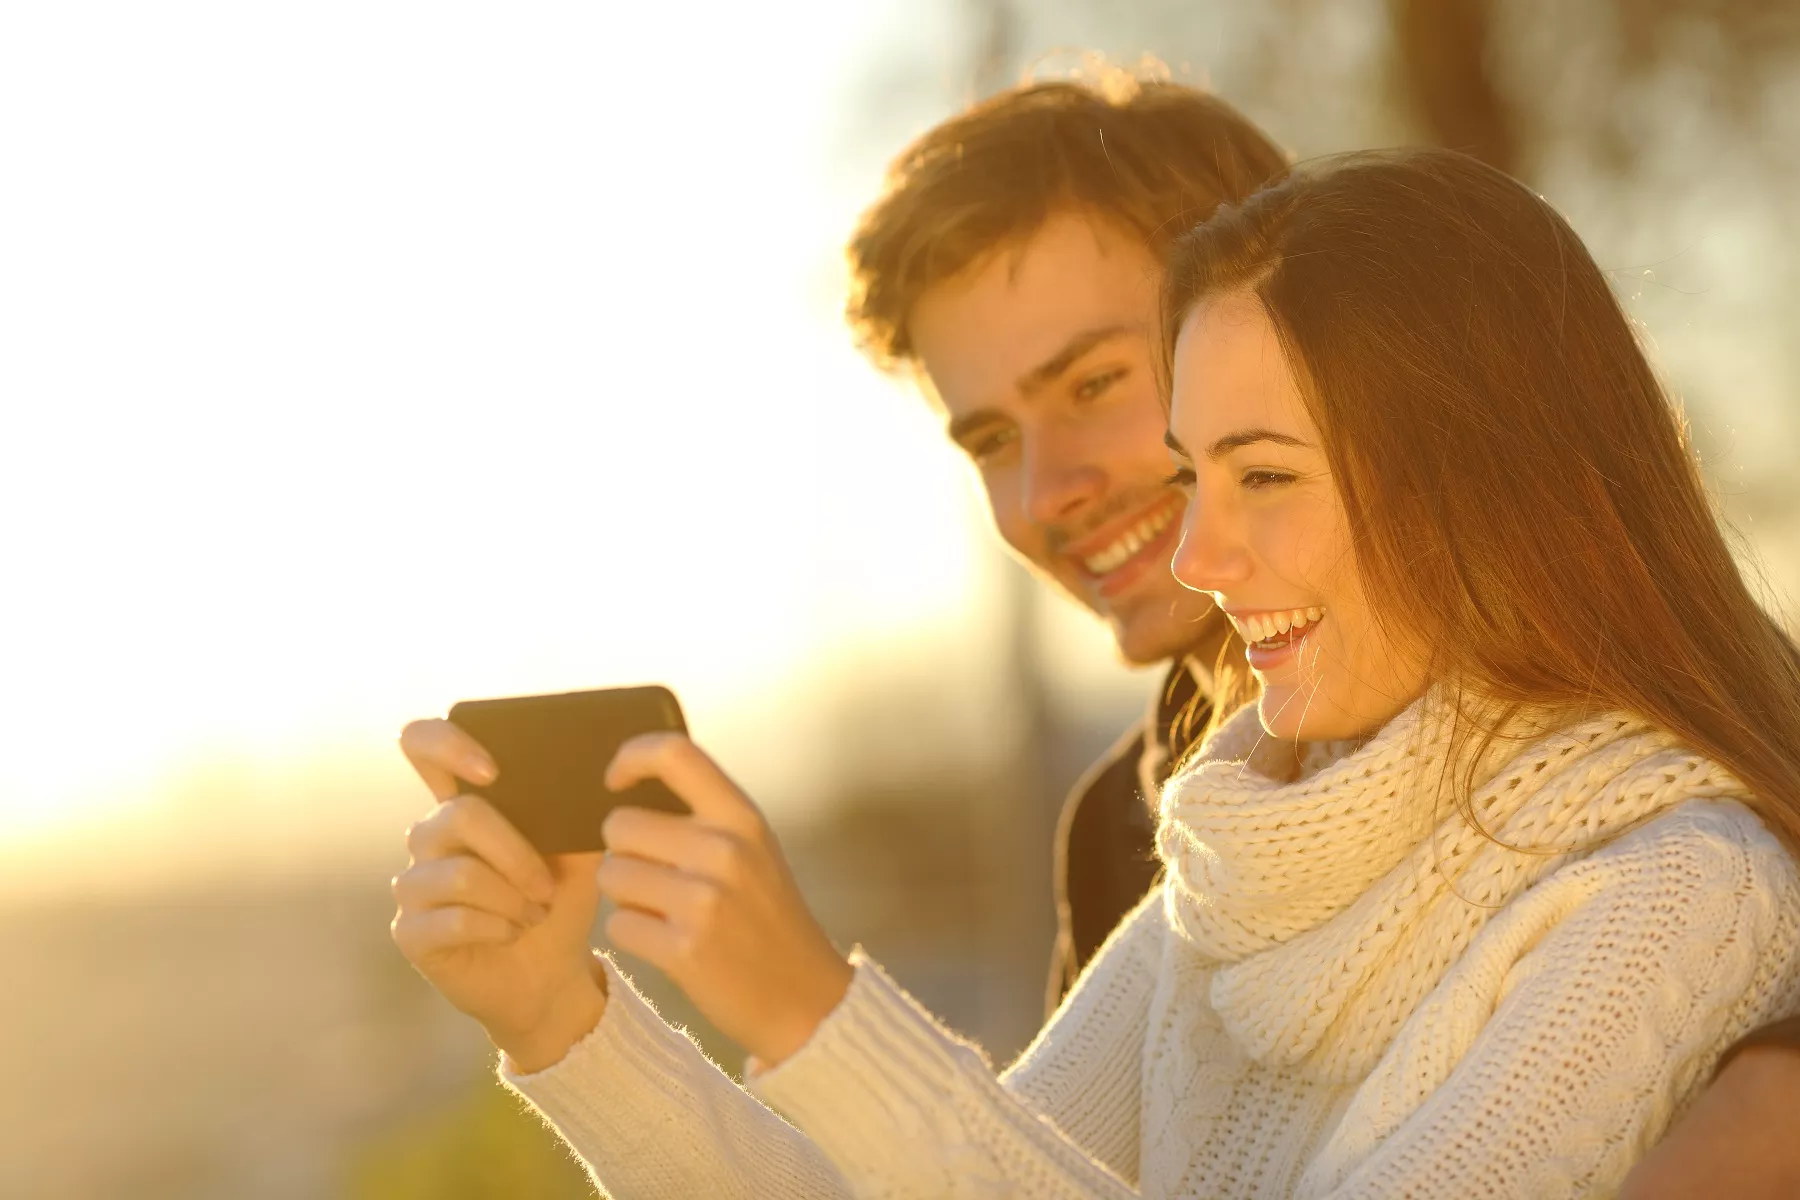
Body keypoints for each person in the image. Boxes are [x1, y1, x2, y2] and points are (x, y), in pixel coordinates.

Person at [390, 145, 1800, 1197]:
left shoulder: (1669, 888)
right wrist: (566, 1022)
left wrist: (817, 1010)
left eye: (1263, 475)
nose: (1199, 552)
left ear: (1481, 483)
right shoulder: (1244, 841)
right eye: (1196, 474)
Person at [840, 72, 1283, 1003]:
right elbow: (1052, 1159)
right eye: (995, 440)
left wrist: (803, 1006)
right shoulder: (1117, 833)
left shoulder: (1532, 748)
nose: (1050, 492)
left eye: (1093, 384)